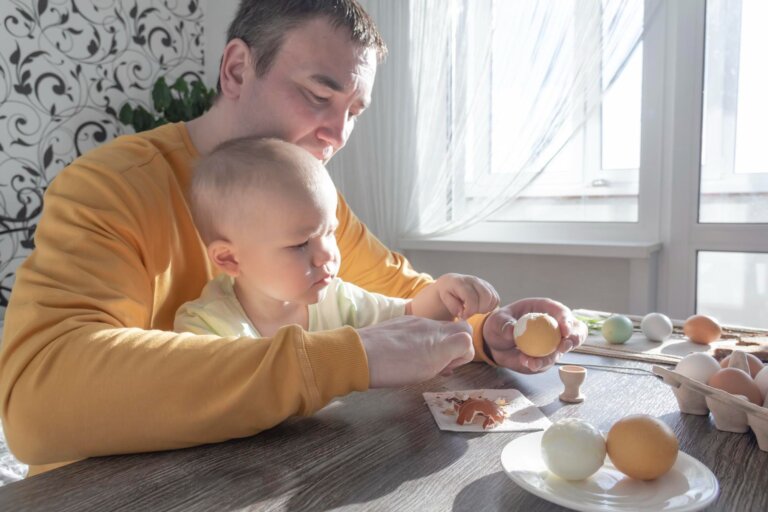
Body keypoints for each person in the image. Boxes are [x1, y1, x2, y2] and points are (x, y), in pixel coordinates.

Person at [0, 0, 587, 476]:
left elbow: (405, 299)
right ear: (235, 70)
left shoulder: (315, 204)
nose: (336, 134)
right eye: (318, 95)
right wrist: (335, 360)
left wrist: (486, 331)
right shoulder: (112, 188)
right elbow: (37, 402)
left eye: (354, 110)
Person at [174, 137, 500, 338]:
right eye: (301, 243)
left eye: (329, 232)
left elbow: (409, 315)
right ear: (230, 258)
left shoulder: (337, 300)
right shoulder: (206, 325)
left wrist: (444, 294)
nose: (326, 255)